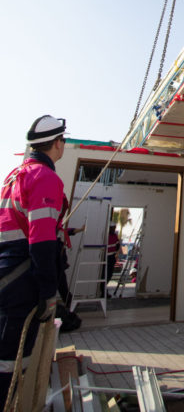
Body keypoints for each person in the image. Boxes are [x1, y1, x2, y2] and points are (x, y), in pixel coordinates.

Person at [0, 115, 68, 408]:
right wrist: (48, 293)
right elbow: (41, 242)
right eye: (63, 140)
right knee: (11, 364)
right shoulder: (46, 178)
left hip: (6, 279)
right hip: (22, 285)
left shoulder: (14, 176)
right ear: (56, 143)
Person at [106, 222, 120, 296]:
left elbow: (117, 245)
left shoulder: (114, 236)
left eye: (114, 227)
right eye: (113, 227)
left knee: (109, 274)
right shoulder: (106, 235)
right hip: (106, 257)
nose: (114, 229)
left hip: (112, 257)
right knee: (105, 274)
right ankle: (103, 291)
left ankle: (104, 290)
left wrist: (115, 253)